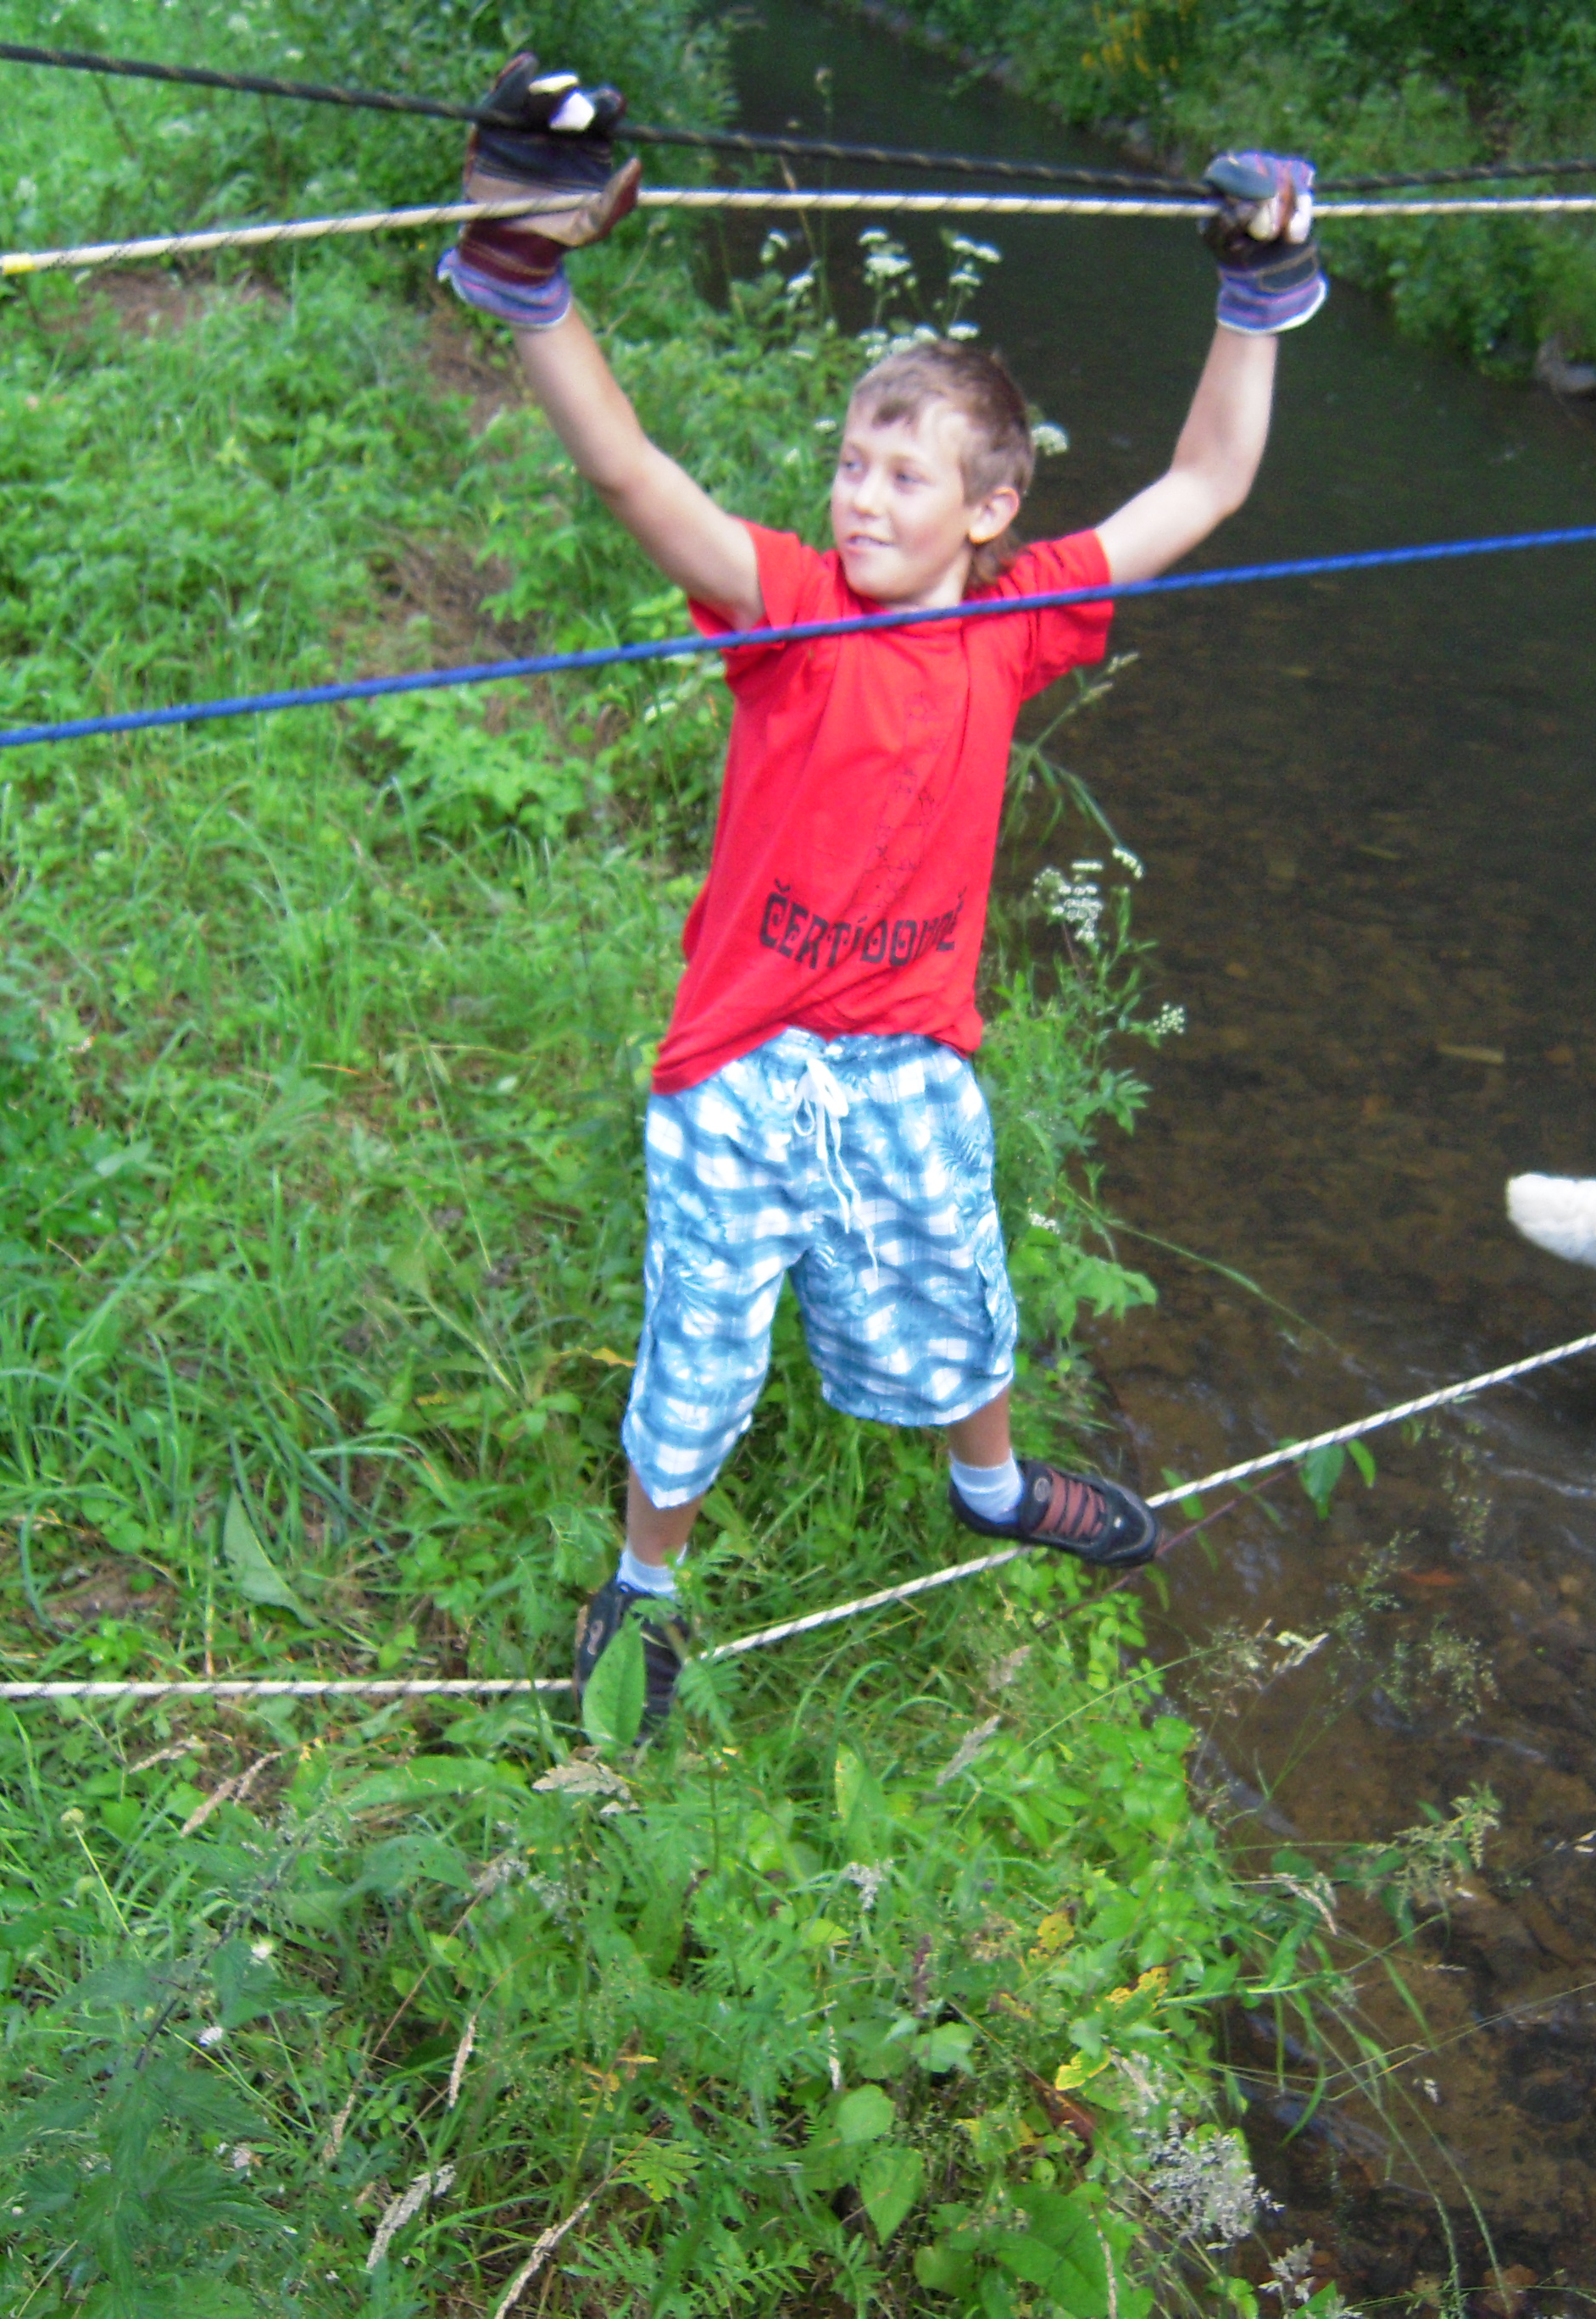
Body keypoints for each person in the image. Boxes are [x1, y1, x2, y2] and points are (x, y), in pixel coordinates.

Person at [437, 58, 1325, 1730]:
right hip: (741, 1062)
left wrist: (1256, 294)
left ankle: (989, 1486)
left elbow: (1205, 483)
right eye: (852, 463)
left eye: (904, 479)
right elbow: (634, 477)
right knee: (703, 1344)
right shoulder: (786, 605)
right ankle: (645, 1583)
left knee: (957, 1275)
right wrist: (532, 286)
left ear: (991, 513)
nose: (860, 497)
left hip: (909, 1053)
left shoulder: (1014, 616)